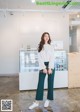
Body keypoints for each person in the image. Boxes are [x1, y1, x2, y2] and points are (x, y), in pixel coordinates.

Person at [29, 32, 55, 110]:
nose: (47, 37)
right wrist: (43, 67)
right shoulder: (39, 46)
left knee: (50, 83)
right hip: (42, 65)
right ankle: (36, 102)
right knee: (40, 83)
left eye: (48, 36)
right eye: (45, 36)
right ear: (42, 37)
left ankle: (48, 99)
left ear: (49, 38)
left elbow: (52, 58)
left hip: (51, 65)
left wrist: (50, 68)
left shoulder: (51, 46)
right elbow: (39, 58)